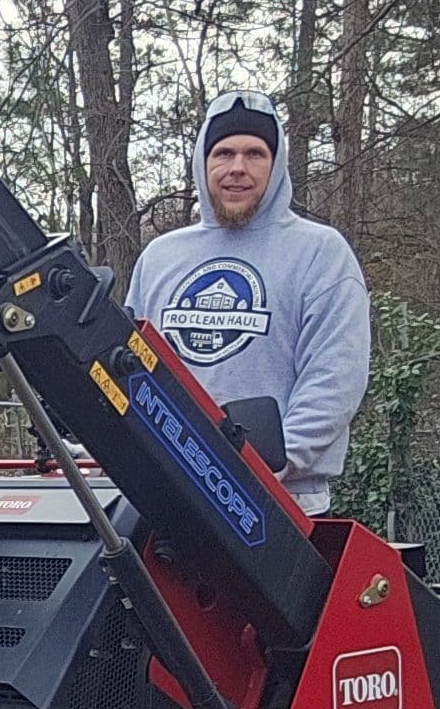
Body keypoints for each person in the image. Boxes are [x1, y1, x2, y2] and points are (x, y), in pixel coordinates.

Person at [126, 89, 371, 516]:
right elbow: (132, 368)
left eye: (255, 154)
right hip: (171, 499)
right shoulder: (160, 258)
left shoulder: (319, 252)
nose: (237, 168)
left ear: (276, 166)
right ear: (204, 163)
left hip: (285, 507)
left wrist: (263, 465)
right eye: (223, 153)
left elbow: (335, 377)